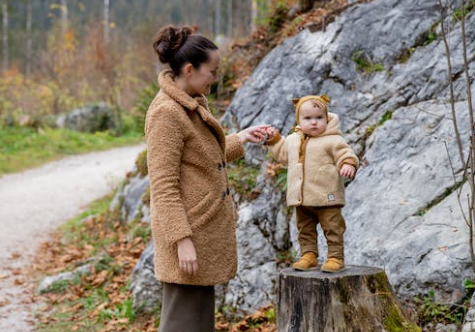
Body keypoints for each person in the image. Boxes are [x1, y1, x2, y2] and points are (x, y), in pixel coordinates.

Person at [145, 25, 269, 332]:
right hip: (188, 237)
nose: (215, 78)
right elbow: (163, 186)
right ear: (189, 69)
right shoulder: (167, 114)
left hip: (202, 234)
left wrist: (240, 138)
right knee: (181, 324)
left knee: (198, 324)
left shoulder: (189, 102)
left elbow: (203, 160)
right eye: (212, 71)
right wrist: (182, 241)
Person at [265, 95, 359, 273]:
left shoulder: (333, 139)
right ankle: (309, 255)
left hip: (327, 196)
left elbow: (345, 153)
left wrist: (347, 163)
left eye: (319, 118)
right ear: (299, 119)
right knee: (305, 229)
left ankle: (335, 257)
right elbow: (283, 155)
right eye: (308, 118)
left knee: (332, 227)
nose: (314, 122)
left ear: (327, 118)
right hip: (302, 198)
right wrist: (274, 139)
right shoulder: (293, 139)